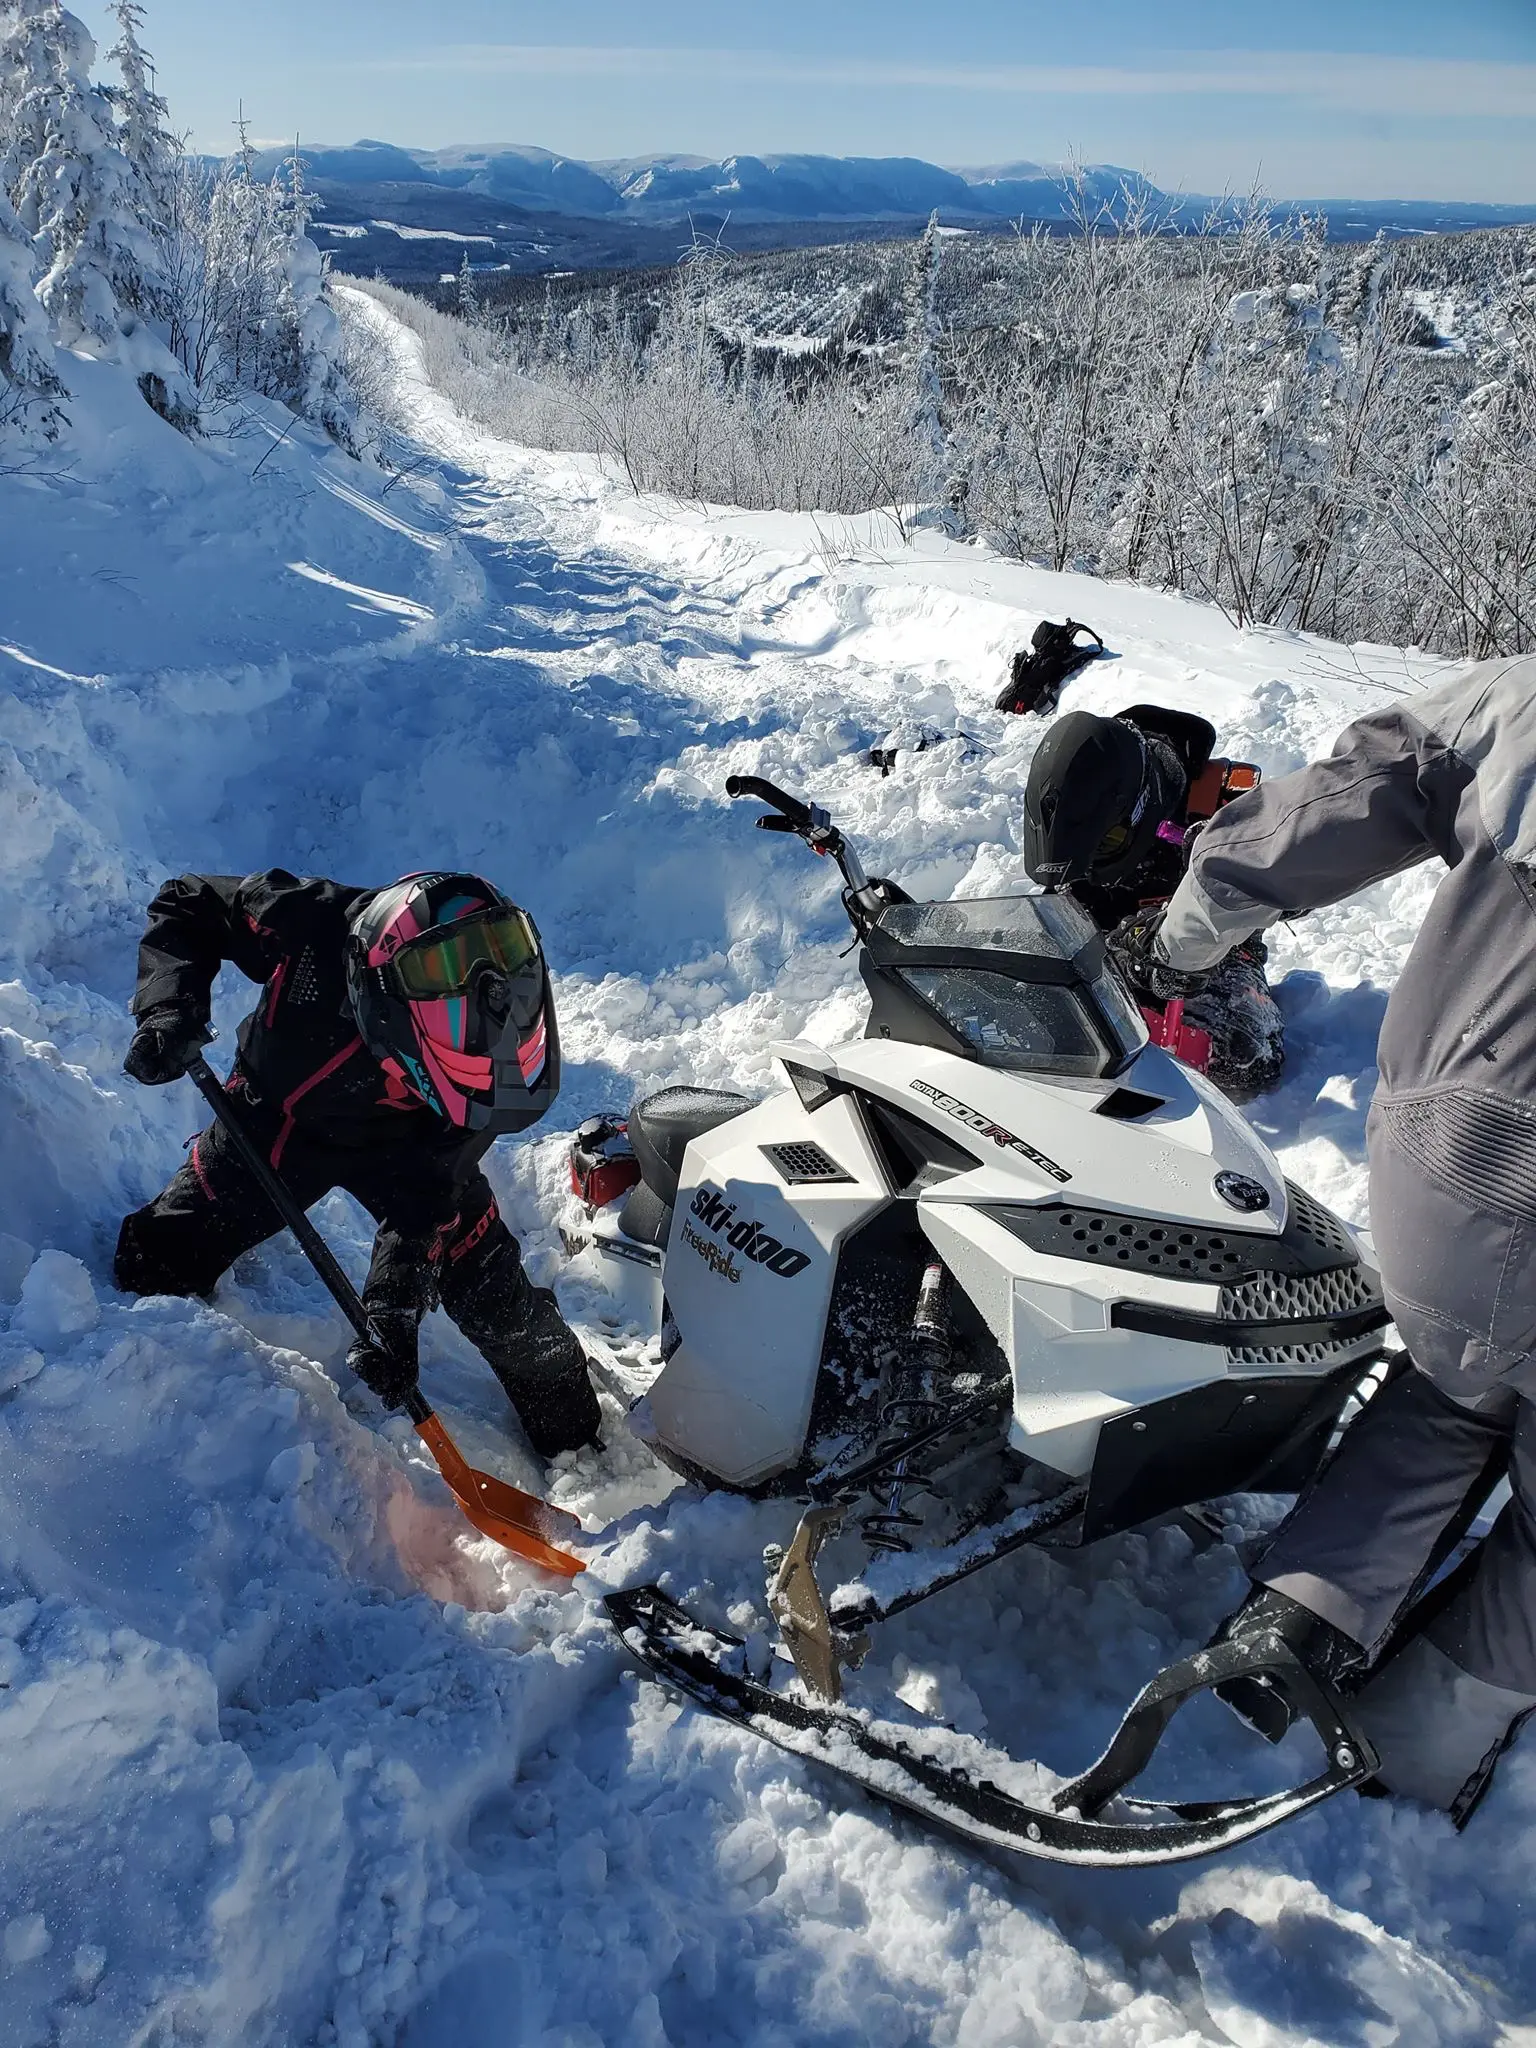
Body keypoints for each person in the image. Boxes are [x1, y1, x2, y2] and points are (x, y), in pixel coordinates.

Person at [1119, 655, 1536, 1820]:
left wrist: (1188, 935)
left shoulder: (1521, 700)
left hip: (1461, 1162)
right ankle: (1413, 1757)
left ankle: (1290, 1626)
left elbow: (1346, 792)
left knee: (1452, 1393)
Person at [115, 867, 601, 1461]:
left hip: (411, 1149)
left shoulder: (484, 1062)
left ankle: (580, 1441)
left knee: (499, 1305)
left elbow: (430, 1191)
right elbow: (190, 901)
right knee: (154, 1262)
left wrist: (393, 1300)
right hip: (278, 1121)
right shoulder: (307, 922)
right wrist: (170, 1007)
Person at [1020, 703, 1284, 1099]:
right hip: (1106, 940)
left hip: (1214, 950)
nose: (1091, 867)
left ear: (1140, 809)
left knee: (1244, 1056)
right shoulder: (1082, 795)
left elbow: (1302, 879)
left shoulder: (1223, 804)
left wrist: (1235, 870)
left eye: (1106, 846)